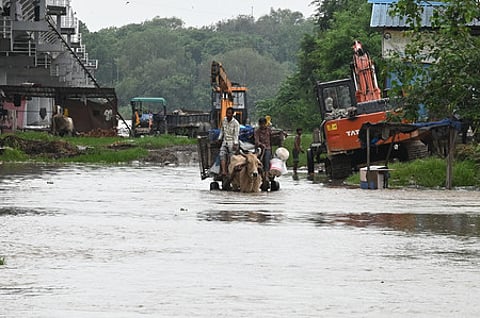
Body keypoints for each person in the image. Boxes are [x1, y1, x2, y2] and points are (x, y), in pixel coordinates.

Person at [218, 107, 240, 176]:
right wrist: (219, 138)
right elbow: (222, 130)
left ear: (232, 114)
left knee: (232, 156)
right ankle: (224, 171)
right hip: (225, 140)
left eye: (230, 113)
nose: (228, 114)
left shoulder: (236, 123)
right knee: (222, 154)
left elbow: (236, 134)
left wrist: (235, 144)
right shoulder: (224, 120)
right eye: (227, 113)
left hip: (232, 141)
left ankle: (231, 171)